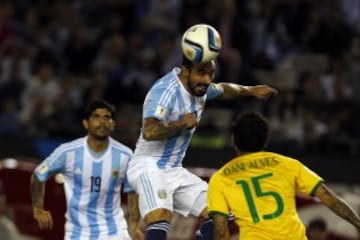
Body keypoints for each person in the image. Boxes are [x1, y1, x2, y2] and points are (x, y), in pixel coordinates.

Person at [126, 50, 277, 239]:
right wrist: (181, 123)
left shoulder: (201, 89)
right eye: (201, 73)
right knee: (161, 217)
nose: (206, 80)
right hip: (148, 165)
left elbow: (224, 90)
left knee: (221, 212)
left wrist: (252, 90)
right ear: (186, 71)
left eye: (210, 74)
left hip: (174, 170)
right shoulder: (165, 91)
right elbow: (149, 131)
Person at [207, 112, 360, 240]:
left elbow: (221, 229)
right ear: (265, 140)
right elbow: (328, 198)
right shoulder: (288, 164)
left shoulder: (220, 178)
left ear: (233, 140)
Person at [30, 100, 143, 240]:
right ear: (85, 123)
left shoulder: (125, 155)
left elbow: (132, 191)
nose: (101, 122)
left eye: (107, 117)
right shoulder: (67, 152)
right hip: (78, 234)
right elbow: (38, 174)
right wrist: (38, 209)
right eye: (96, 117)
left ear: (113, 124)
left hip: (115, 233)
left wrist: (134, 226)